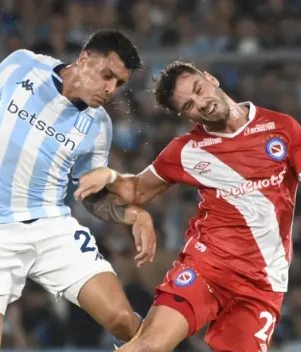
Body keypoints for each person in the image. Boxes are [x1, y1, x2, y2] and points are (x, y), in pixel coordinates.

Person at [75, 61, 301, 352]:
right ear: (185, 116)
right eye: (189, 105)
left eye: (199, 90)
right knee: (150, 346)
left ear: (210, 78)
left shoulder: (283, 127)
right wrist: (110, 176)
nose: (202, 104)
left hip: (262, 284)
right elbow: (135, 190)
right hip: (207, 267)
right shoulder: (186, 150)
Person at [0, 30, 157, 348]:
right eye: (107, 76)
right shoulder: (21, 66)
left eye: (119, 84)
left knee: (125, 322)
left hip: (50, 227)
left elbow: (92, 195)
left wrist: (134, 215)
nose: (111, 89)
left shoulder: (98, 126)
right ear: (84, 59)